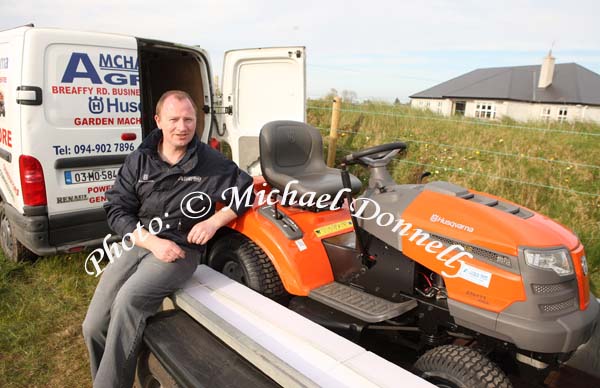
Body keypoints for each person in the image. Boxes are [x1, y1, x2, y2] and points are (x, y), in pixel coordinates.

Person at [82, 90, 254, 388]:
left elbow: (246, 189)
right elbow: (116, 208)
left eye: (189, 119)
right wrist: (150, 241)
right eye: (174, 119)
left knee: (128, 302)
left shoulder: (209, 161)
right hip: (140, 242)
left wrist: (214, 221)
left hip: (180, 250)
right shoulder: (139, 160)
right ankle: (105, 378)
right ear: (159, 120)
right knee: (93, 324)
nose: (182, 126)